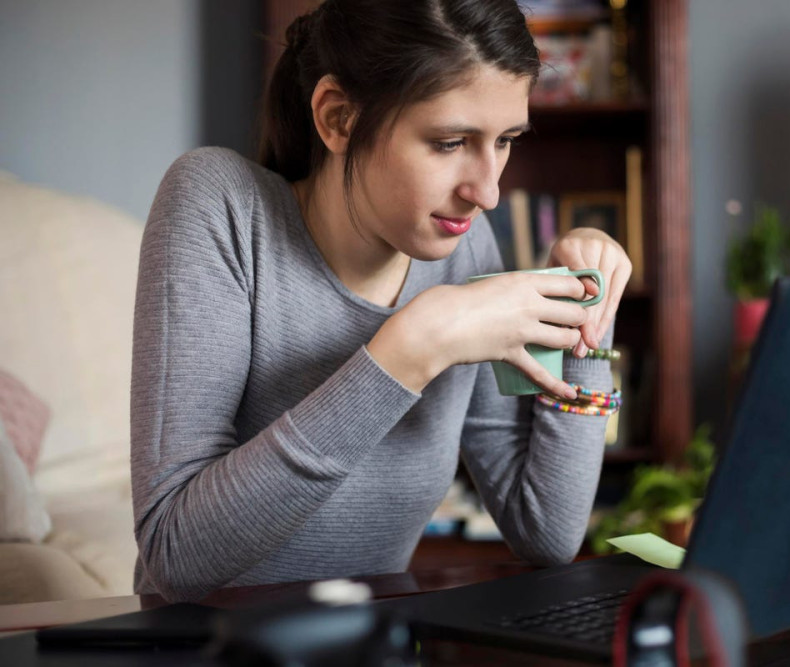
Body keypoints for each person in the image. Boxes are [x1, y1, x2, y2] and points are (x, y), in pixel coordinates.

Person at [130, 0, 632, 602]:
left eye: (505, 141)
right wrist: (412, 347)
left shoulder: (465, 254)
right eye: (450, 142)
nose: (488, 192)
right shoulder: (221, 206)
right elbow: (175, 556)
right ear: (338, 118)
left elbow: (545, 532)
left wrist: (588, 309)